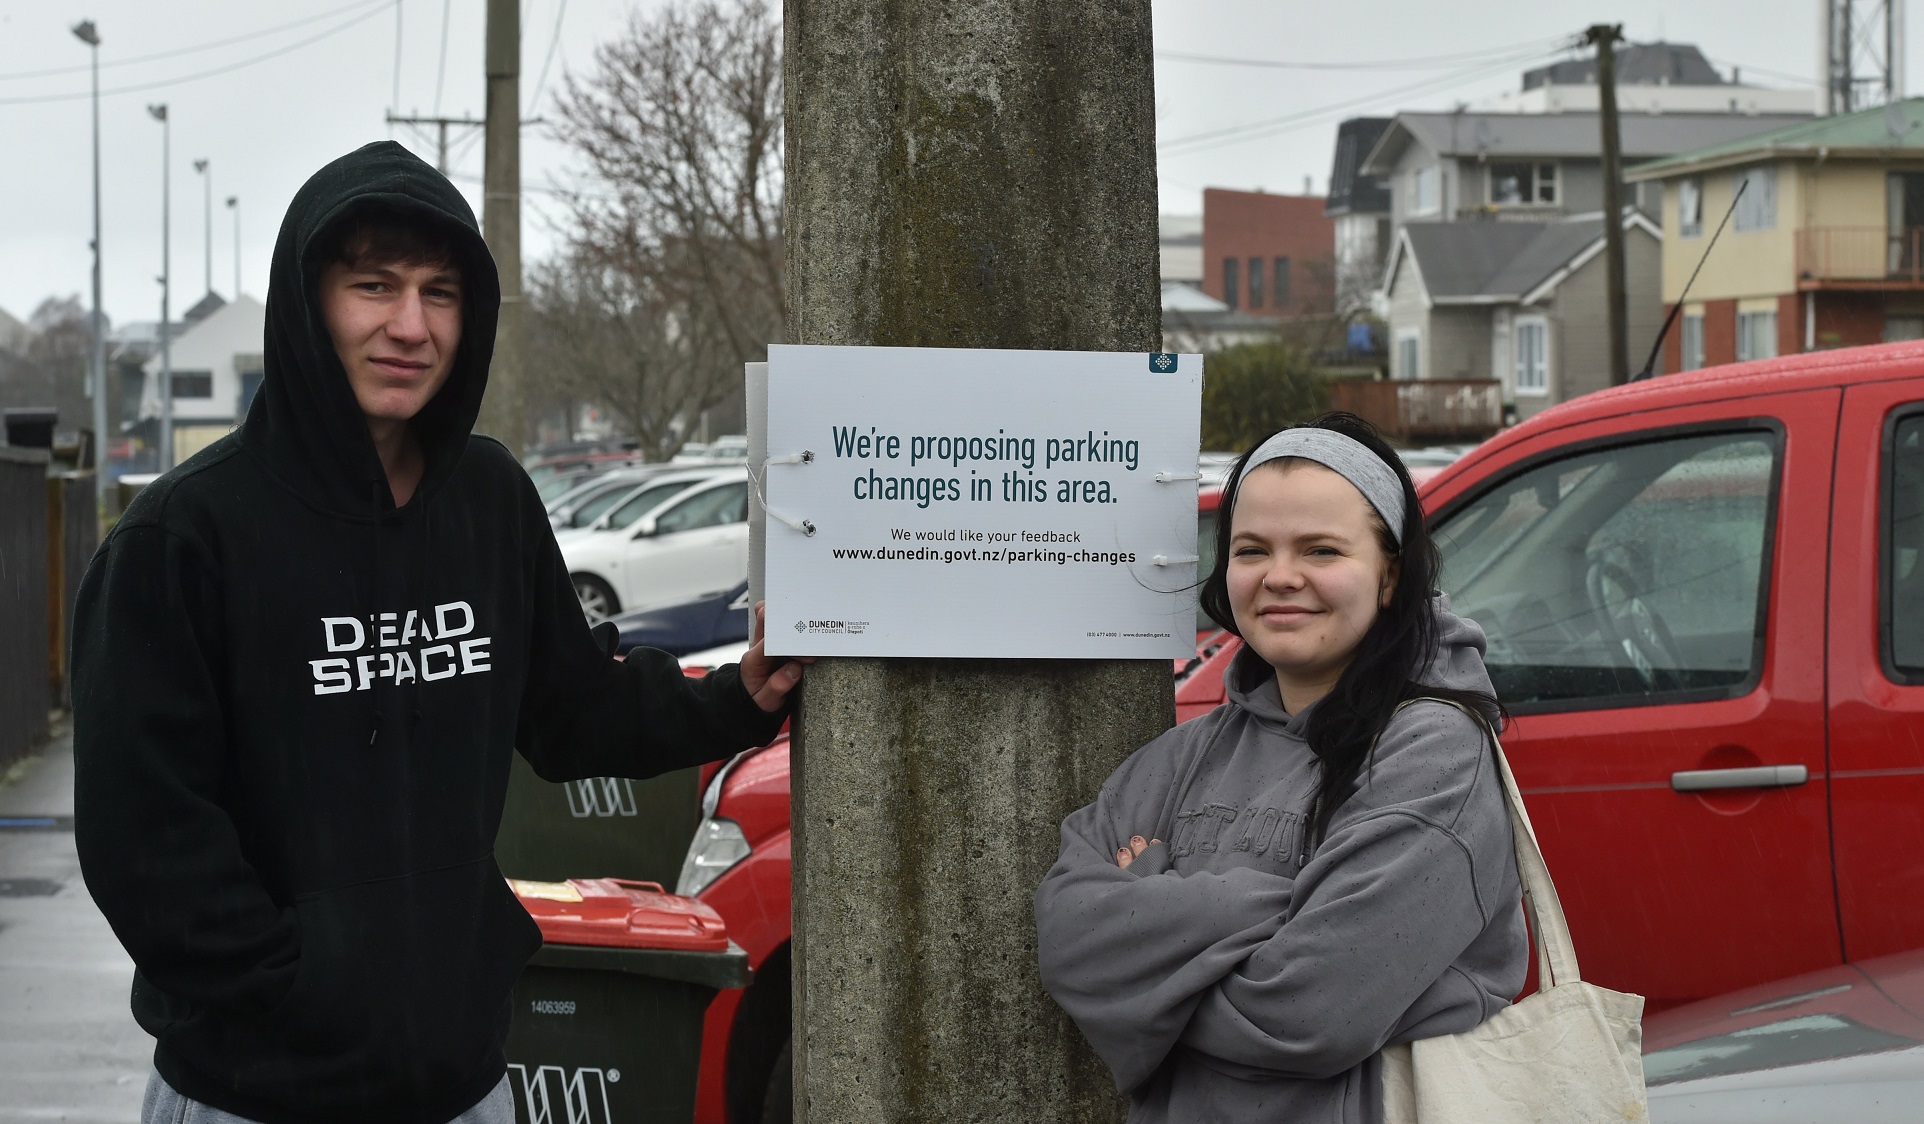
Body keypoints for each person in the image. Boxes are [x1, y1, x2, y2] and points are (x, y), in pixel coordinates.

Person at [71, 141, 803, 1124]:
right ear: (307, 299)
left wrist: (737, 695)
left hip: (462, 1083)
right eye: (373, 285)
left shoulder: (487, 499)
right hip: (257, 1090)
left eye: (440, 292)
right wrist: (300, 992)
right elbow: (144, 838)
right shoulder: (185, 536)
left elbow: (573, 709)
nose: (409, 325)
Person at [1034, 413, 1526, 1123]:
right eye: (1252, 550)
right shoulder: (1181, 756)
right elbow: (1071, 940)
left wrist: (1150, 963)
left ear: (1390, 576)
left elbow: (1310, 1014)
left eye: (1322, 550)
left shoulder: (1435, 753)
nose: (1281, 577)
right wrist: (1286, 907)